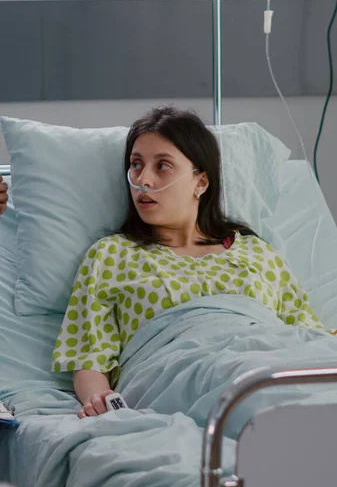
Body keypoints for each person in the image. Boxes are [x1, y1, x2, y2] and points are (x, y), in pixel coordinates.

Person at [51, 106, 335, 419]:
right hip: (181, 373)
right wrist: (100, 401)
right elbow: (88, 355)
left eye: (163, 166)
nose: (142, 180)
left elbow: (305, 333)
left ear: (200, 182)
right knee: (252, 383)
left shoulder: (257, 253)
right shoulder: (112, 255)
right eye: (135, 165)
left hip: (274, 359)